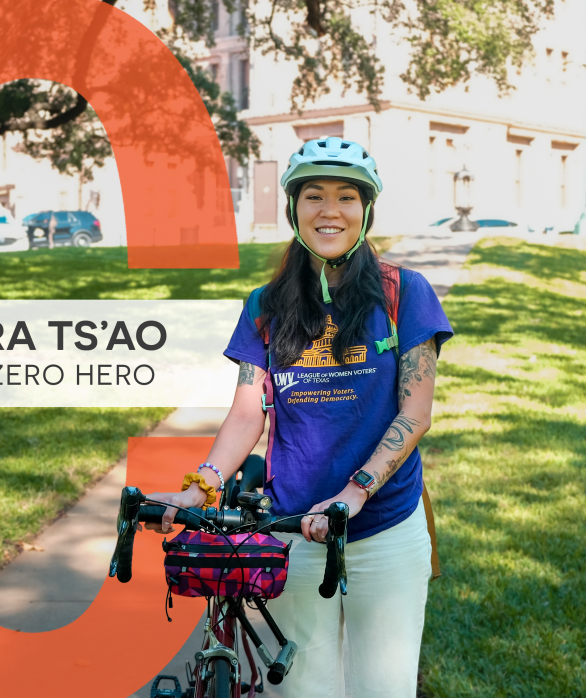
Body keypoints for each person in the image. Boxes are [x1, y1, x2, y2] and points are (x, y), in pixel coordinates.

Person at [144, 138, 453, 697]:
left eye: (345, 197)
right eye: (313, 195)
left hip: (384, 526)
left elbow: (416, 410)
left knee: (381, 689)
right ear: (293, 208)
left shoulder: (404, 292)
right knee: (304, 689)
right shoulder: (265, 306)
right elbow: (246, 412)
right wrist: (202, 486)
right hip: (294, 530)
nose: (328, 210)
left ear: (366, 211)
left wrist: (354, 493)